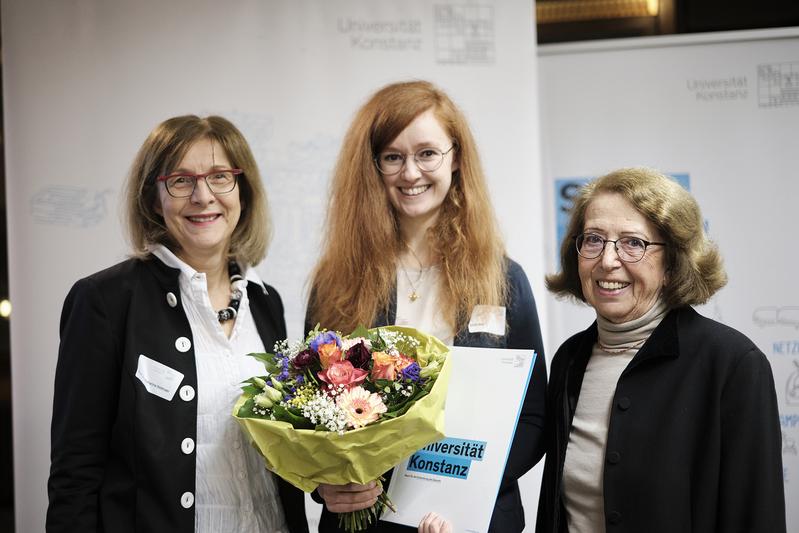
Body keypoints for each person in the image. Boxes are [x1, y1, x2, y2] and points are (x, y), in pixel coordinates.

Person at [305, 80, 547, 532]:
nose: (410, 173)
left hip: (470, 521)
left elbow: (532, 415)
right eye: (393, 157)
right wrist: (328, 485)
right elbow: (308, 411)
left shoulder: (502, 279)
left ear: (455, 158)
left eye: (427, 153)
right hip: (365, 520)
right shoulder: (336, 282)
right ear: (372, 167)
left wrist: (461, 489)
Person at [46, 115, 308, 533]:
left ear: (243, 190)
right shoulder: (106, 302)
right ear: (153, 198)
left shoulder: (265, 302)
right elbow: (75, 473)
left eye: (220, 176)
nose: (203, 196)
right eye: (181, 181)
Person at [536, 167, 786, 533]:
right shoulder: (569, 360)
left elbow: (755, 518)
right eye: (593, 239)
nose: (607, 261)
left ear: (672, 263)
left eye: (633, 243)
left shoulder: (732, 365)